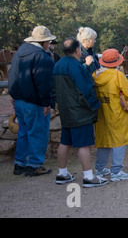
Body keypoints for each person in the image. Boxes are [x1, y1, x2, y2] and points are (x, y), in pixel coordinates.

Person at [53, 38, 108, 188]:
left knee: (65, 142)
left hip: (66, 111)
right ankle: (88, 177)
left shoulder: (57, 65)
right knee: (83, 145)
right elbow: (85, 89)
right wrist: (94, 105)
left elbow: (54, 90)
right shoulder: (76, 67)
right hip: (80, 112)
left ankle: (62, 173)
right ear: (77, 50)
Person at [8, 26, 56, 177]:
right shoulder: (42, 57)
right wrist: (46, 102)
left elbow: (12, 75)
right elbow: (44, 83)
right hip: (34, 102)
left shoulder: (19, 54)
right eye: (48, 41)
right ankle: (34, 165)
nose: (49, 44)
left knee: (23, 131)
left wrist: (14, 96)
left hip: (19, 101)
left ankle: (19, 164)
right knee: (38, 132)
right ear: (43, 42)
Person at [92, 49, 128, 182]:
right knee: (119, 140)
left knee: (103, 140)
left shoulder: (95, 75)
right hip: (117, 113)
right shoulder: (118, 76)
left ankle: (100, 168)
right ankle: (116, 171)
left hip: (101, 112)